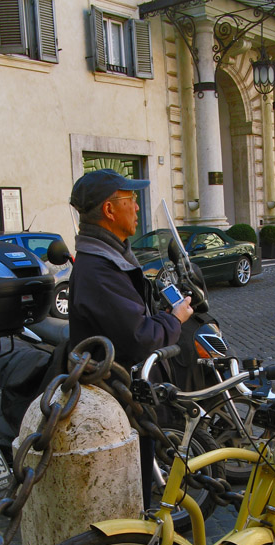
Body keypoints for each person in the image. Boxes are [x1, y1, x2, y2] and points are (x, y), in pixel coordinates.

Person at [68, 168, 193, 508]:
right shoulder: (99, 268)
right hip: (118, 402)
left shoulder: (112, 256)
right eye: (131, 200)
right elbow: (140, 337)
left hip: (128, 397)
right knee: (132, 496)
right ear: (109, 210)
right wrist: (174, 318)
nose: (137, 207)